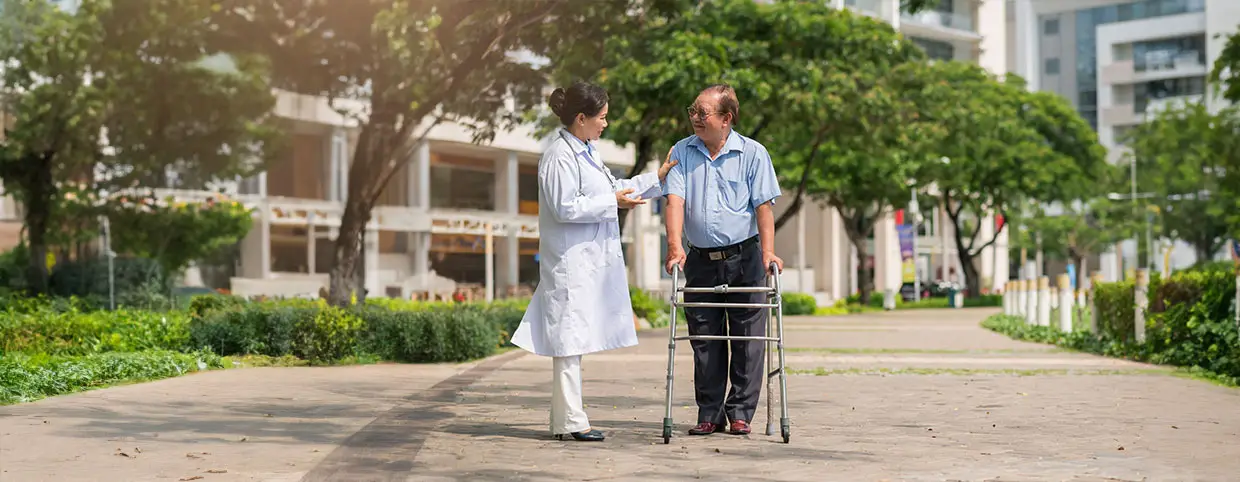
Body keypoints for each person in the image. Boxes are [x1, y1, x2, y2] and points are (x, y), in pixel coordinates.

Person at [510, 81, 678, 442]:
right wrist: (613, 203)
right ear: (581, 118)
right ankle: (572, 421)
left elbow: (610, 188)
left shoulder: (586, 150)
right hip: (569, 264)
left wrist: (655, 180)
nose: (606, 123)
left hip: (584, 263)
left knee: (573, 343)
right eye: (601, 117)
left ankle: (564, 420)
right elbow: (565, 206)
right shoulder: (558, 155)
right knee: (568, 344)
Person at [662, 84, 783, 436]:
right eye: (693, 112)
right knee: (704, 338)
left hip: (744, 256)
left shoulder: (753, 153)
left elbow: (764, 207)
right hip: (700, 259)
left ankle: (741, 412)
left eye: (703, 113)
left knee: (748, 340)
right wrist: (674, 246)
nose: (696, 119)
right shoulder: (682, 151)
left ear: (726, 118)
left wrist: (767, 252)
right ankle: (709, 412)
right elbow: (675, 201)